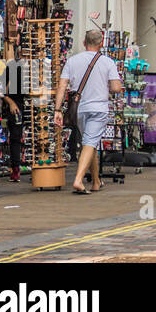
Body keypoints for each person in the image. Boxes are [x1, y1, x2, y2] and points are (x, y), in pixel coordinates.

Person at [53, 28, 124, 194]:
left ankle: (96, 182)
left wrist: (57, 109)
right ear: (101, 44)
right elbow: (115, 87)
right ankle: (78, 179)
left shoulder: (72, 60)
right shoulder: (107, 62)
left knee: (88, 143)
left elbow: (62, 85)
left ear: (84, 42)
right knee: (90, 143)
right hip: (99, 109)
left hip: (79, 109)